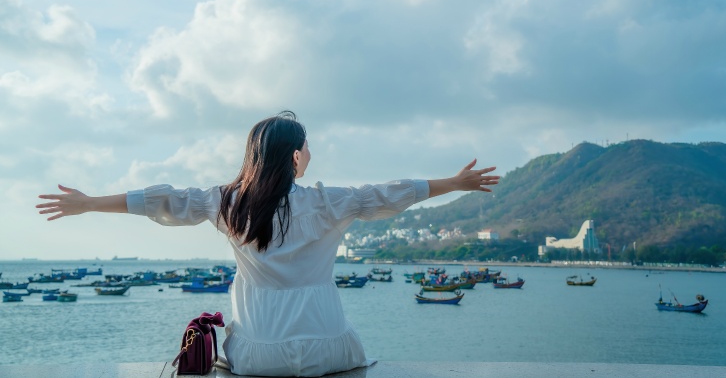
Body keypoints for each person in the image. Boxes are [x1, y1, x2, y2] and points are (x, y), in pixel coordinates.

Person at [36, 111, 499, 377]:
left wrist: (91, 203)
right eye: (308, 147)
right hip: (330, 350)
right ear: (297, 156)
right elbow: (390, 192)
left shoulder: (227, 203)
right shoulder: (328, 203)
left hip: (257, 355)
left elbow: (163, 199)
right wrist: (455, 183)